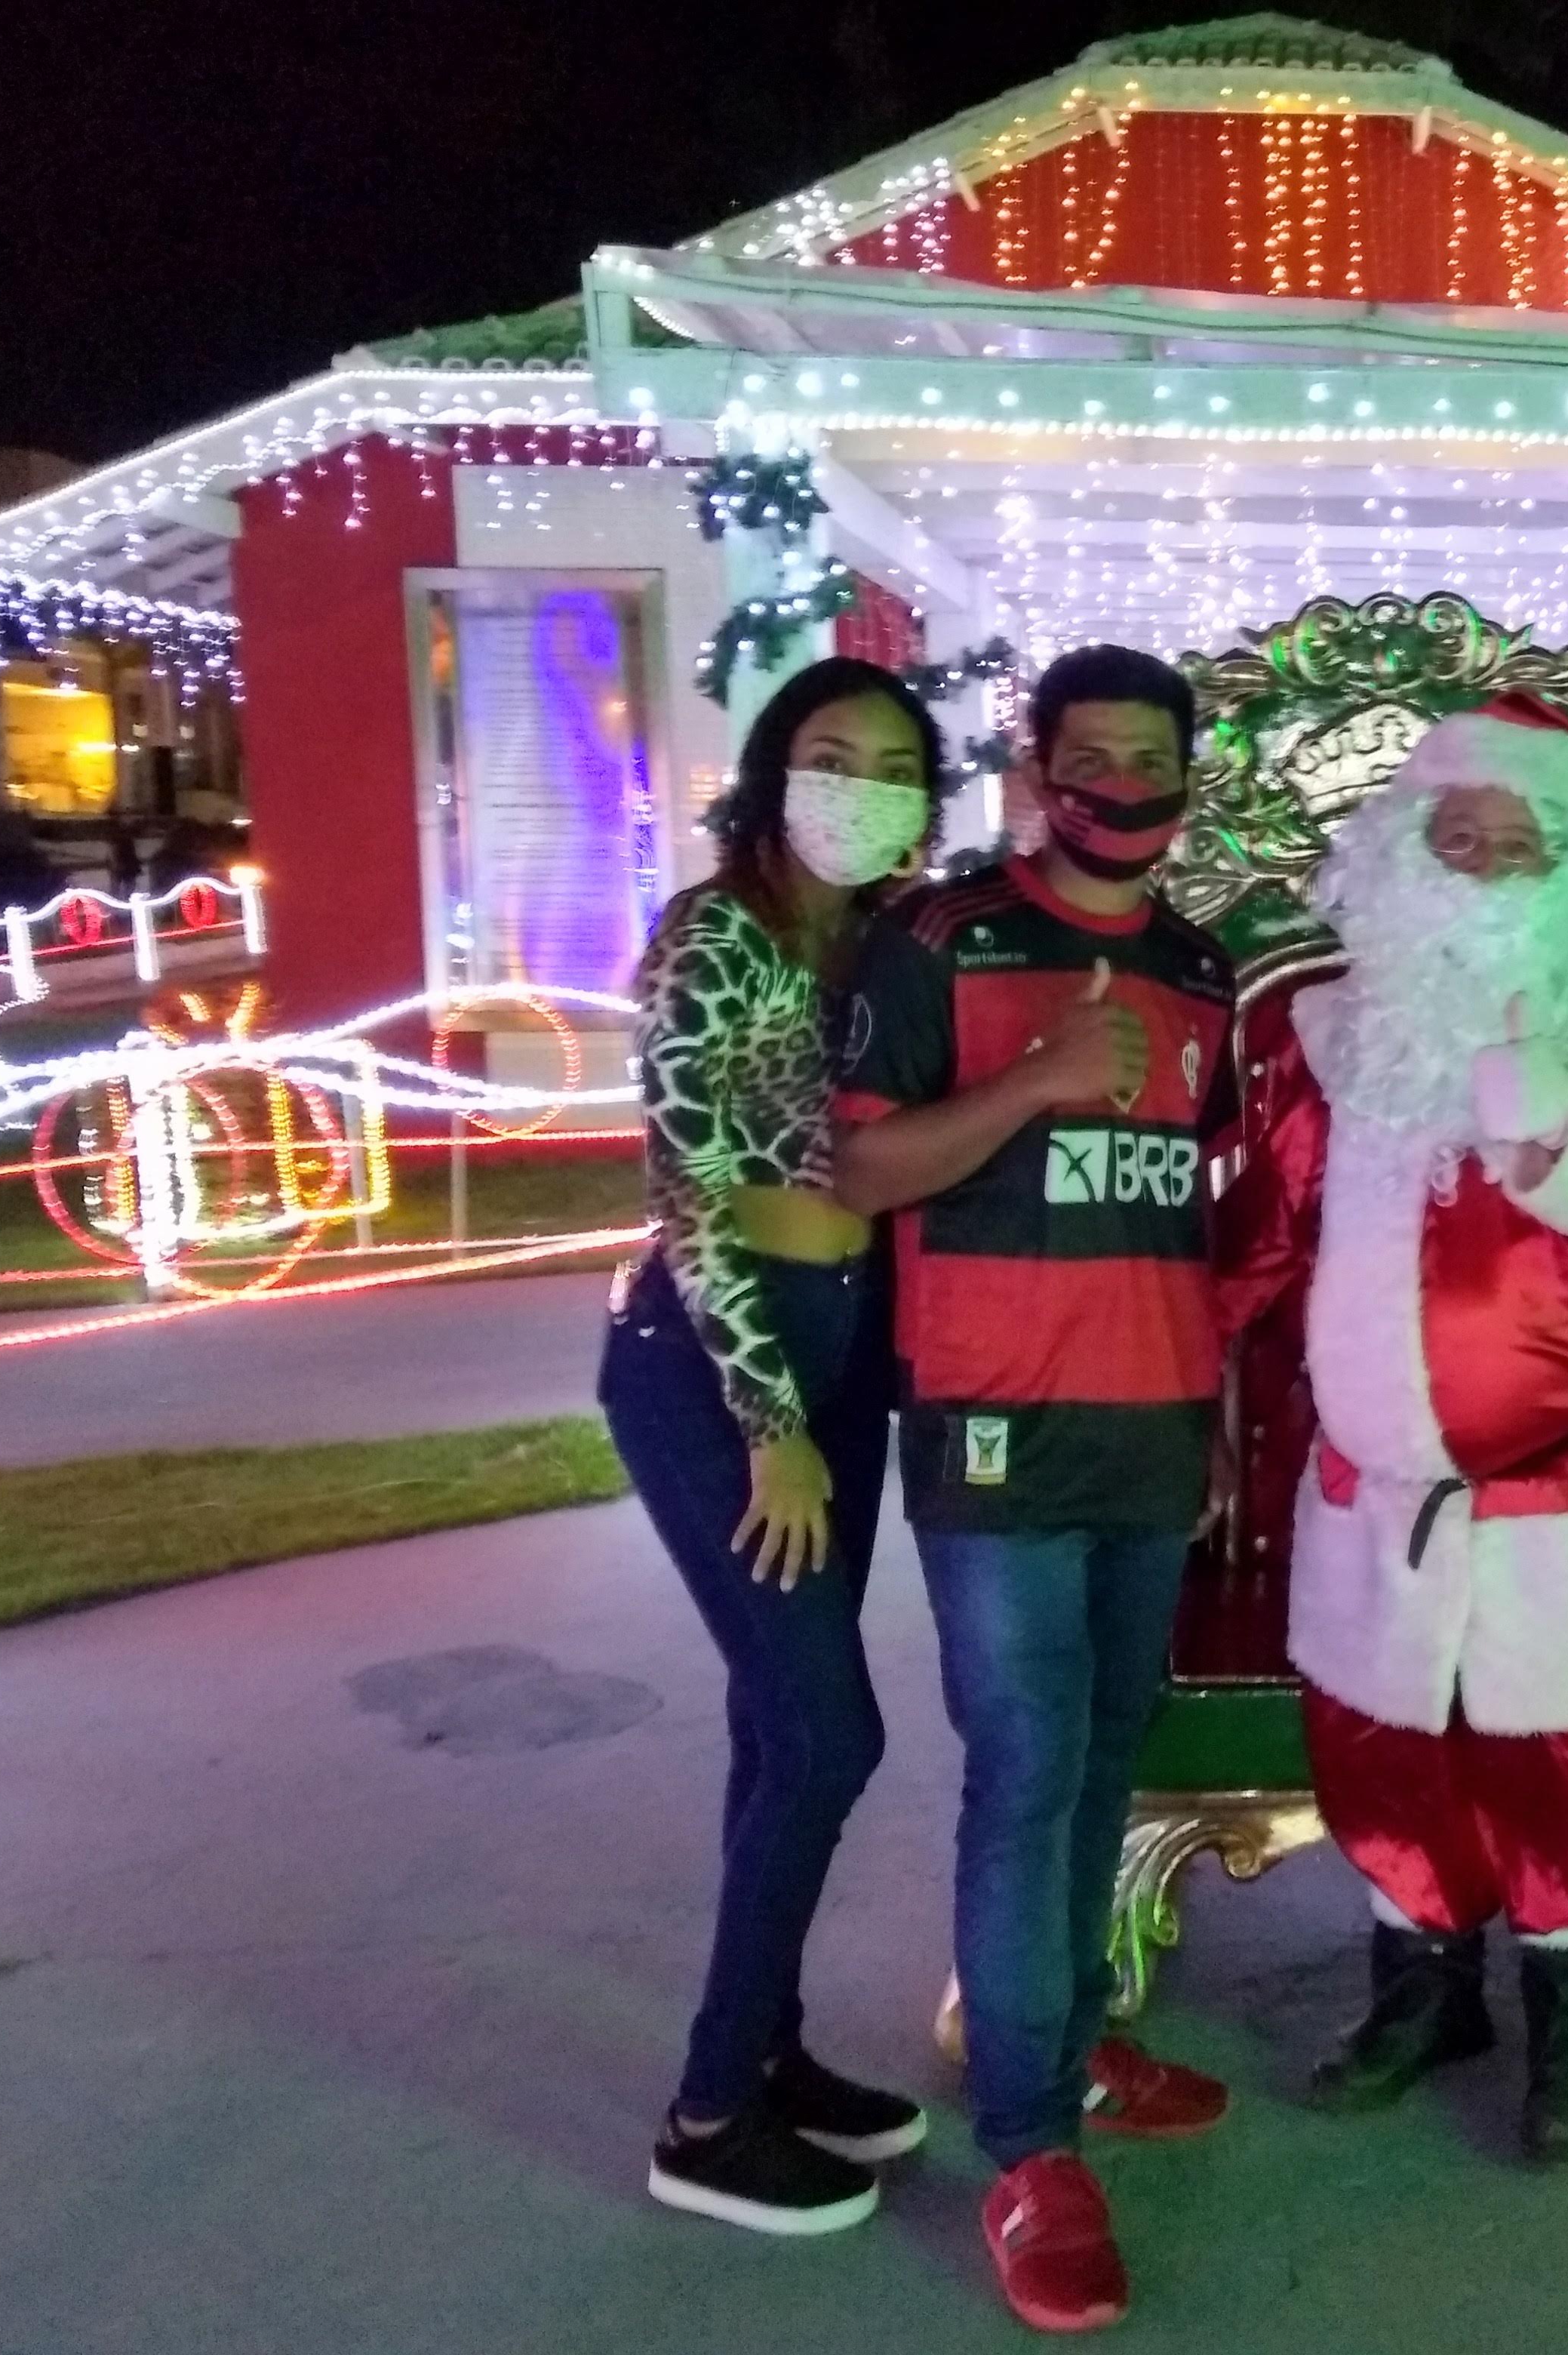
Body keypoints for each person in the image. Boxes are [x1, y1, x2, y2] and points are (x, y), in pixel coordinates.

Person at [1218, 697, 1568, 2165]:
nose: (1485, 869)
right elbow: (1261, 1246)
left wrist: (1562, 1123)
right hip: (1370, 1492)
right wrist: (1187, 1394)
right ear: (1403, 856)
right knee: (1387, 1756)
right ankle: (1422, 1996)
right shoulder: (1326, 1044)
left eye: (1519, 844)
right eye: (1457, 838)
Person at [833, 643, 1234, 2336]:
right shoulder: (940, 941)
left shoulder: (1203, 971)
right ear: (1037, 770)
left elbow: (1187, 1209)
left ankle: (1070, 2047)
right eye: (1093, 756)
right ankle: (1025, 2147)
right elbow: (859, 1167)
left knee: (1104, 1769)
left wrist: (1215, 1409)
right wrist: (1030, 1085)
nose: (1122, 786)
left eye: (1151, 758)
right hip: (993, 1430)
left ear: (1186, 778)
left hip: (1154, 1427)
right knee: (1024, 1773)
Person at [602, 656, 939, 2236]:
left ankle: (770, 2051)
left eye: (893, 766)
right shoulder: (711, 938)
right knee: (825, 1732)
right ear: (771, 771)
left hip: (841, 1351)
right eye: (830, 755)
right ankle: (708, 2111)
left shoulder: (872, 949)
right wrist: (771, 1427)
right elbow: (690, 1201)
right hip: (716, 1366)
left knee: (773, 1720)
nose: (859, 789)